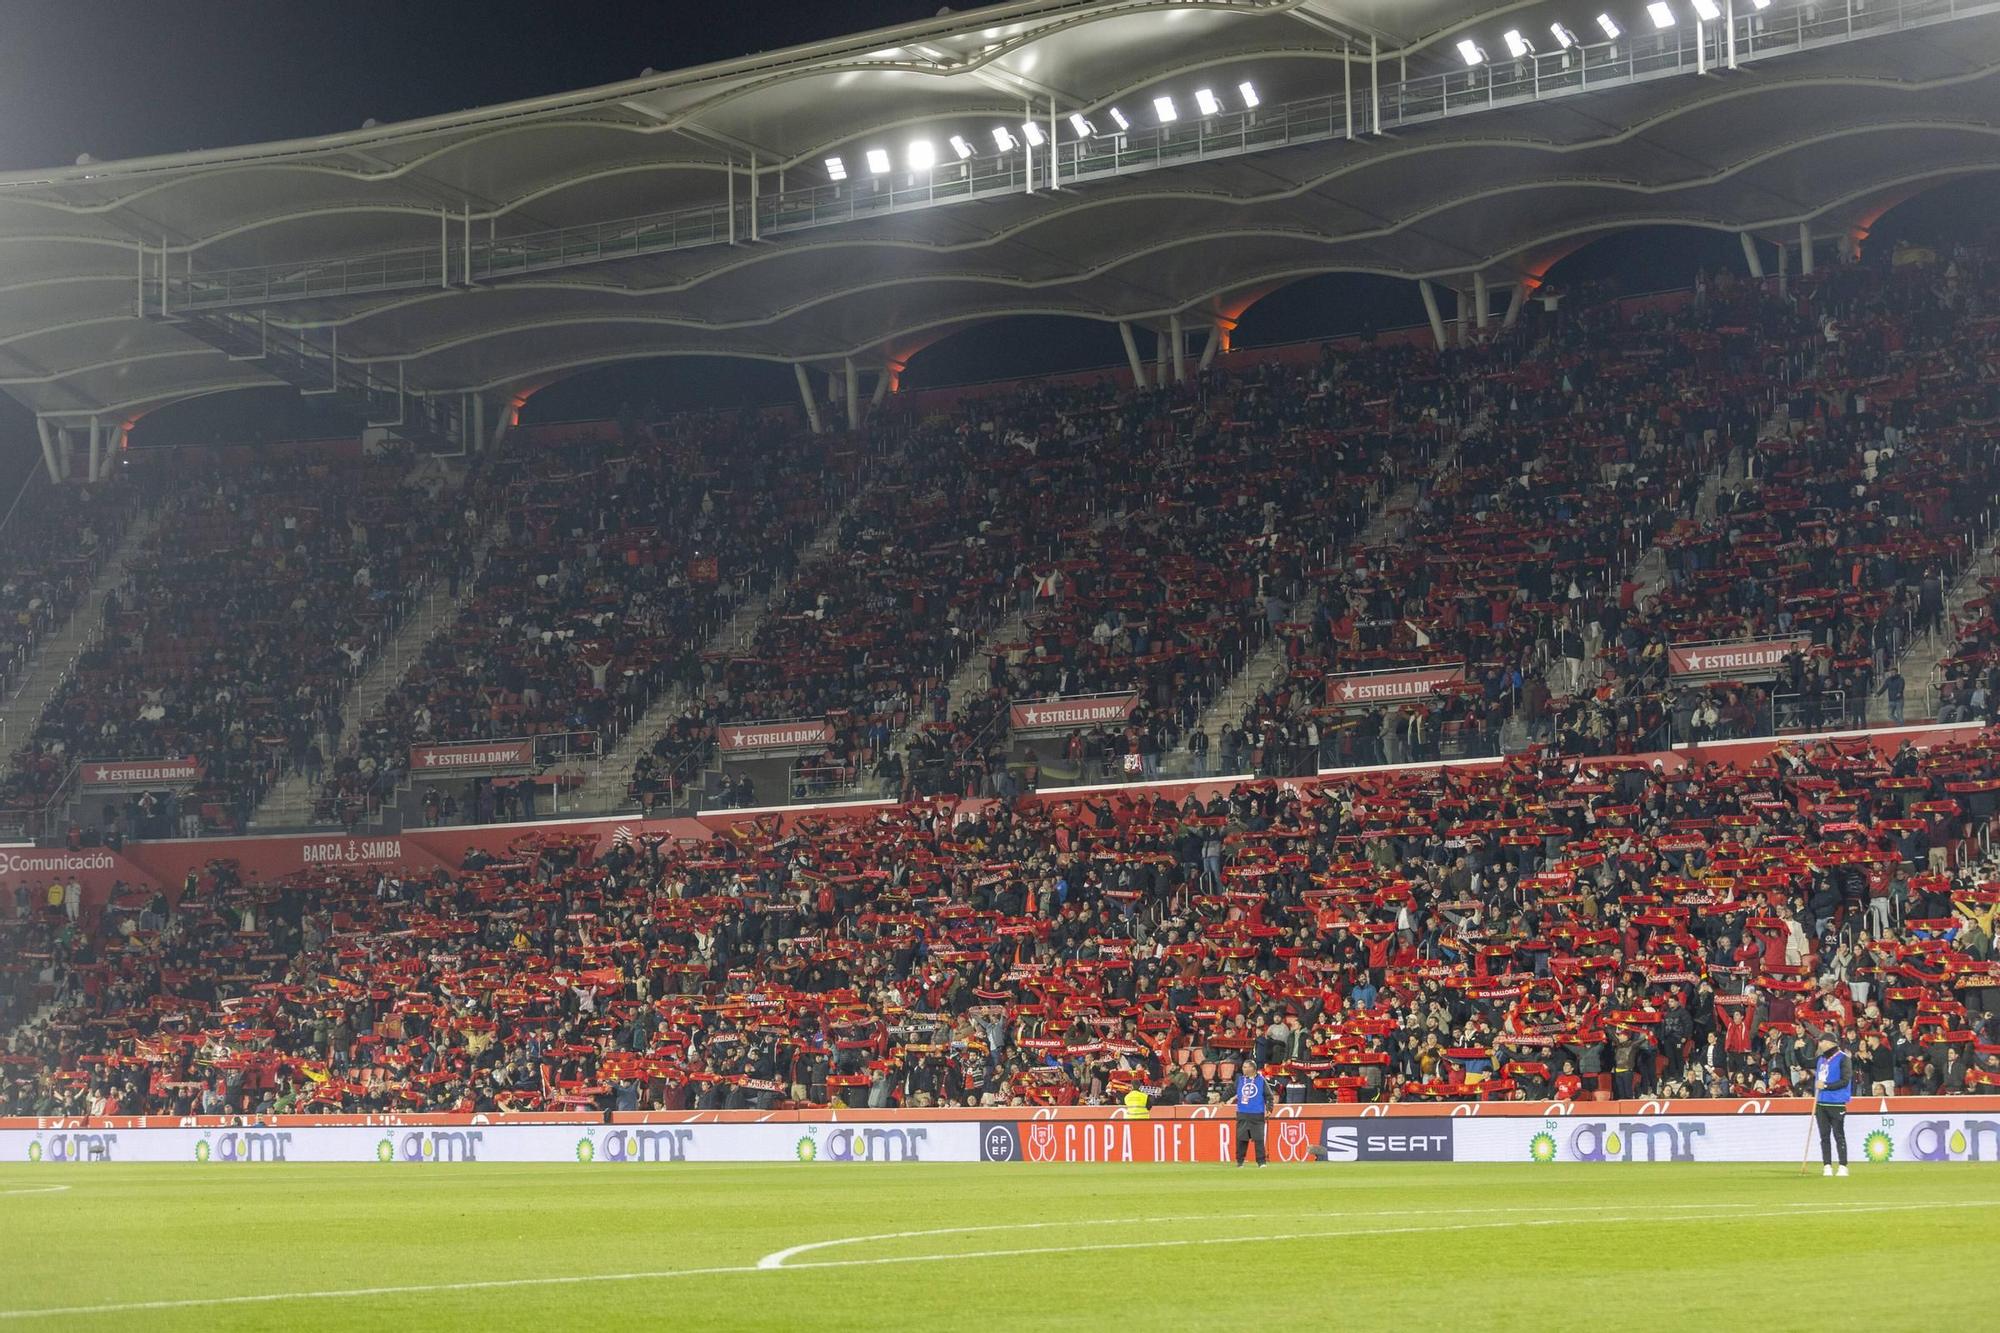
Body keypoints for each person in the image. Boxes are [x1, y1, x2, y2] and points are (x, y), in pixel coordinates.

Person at [1814, 1035, 1851, 1177]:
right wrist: (1798, 1051)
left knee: (1838, 1135)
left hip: (1836, 1102)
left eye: (1822, 1041)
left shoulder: (1843, 1058)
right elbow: (1806, 1062)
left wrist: (1826, 1085)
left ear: (1829, 1043)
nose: (1820, 1044)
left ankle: (1843, 1165)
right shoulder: (1821, 1059)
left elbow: (1845, 1080)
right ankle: (1827, 1165)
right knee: (1824, 1136)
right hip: (1821, 1102)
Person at [1233, 1059, 1269, 1167]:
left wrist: (1269, 1109)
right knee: (1241, 1139)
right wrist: (1222, 1100)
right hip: (1242, 1113)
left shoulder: (1261, 1081)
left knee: (1258, 1139)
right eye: (1243, 1067)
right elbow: (1231, 1090)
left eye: (1245, 1067)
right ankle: (1240, 1161)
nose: (1243, 1069)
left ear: (1252, 1068)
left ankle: (1261, 1162)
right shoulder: (1240, 1080)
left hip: (1257, 1114)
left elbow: (1269, 1096)